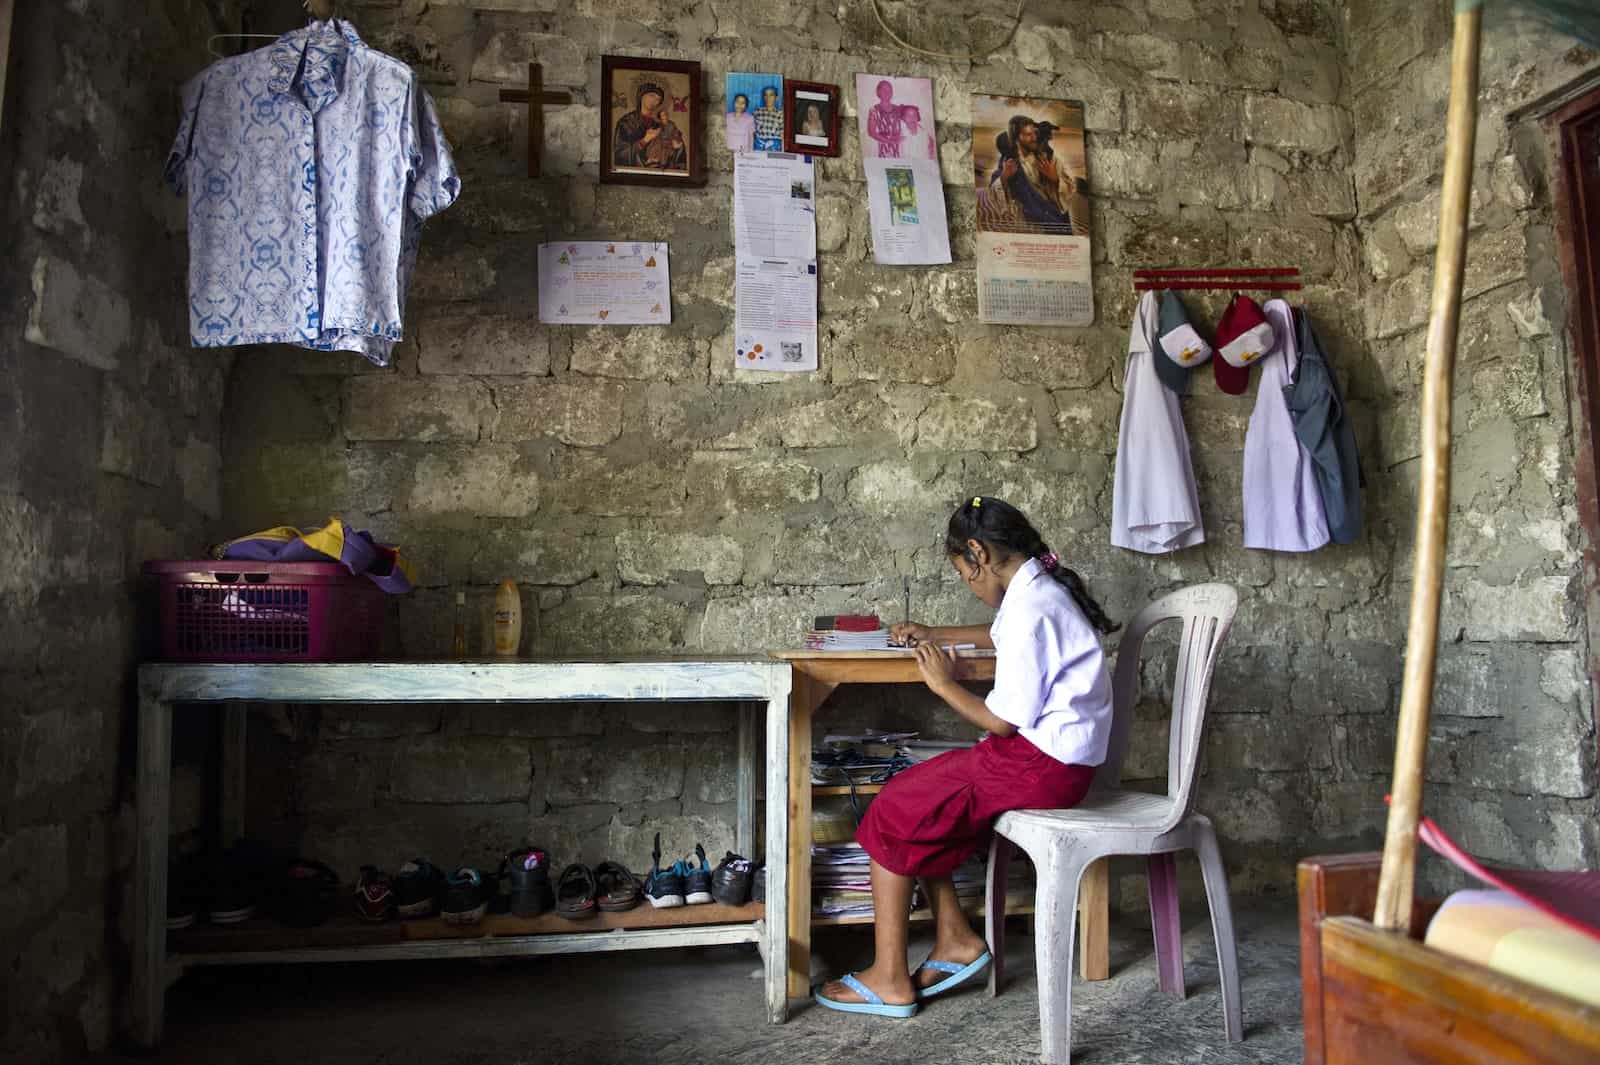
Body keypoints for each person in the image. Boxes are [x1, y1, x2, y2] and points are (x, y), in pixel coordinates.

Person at [813, 496, 1118, 1018]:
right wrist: (936, 634)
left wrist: (943, 684)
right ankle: (954, 938)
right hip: (1053, 762)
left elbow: (1002, 721)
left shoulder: (1031, 610)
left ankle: (890, 978)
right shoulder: (1038, 595)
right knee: (923, 793)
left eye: (964, 573)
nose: (969, 586)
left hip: (1038, 766)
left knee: (893, 808)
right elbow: (1000, 636)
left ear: (977, 552)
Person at [987, 114, 1073, 230]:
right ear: (1016, 137)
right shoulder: (1010, 161)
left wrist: (1055, 179)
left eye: (1035, 133)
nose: (1034, 138)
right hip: (1029, 224)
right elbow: (992, 193)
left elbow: (1071, 190)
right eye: (1028, 135)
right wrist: (1004, 176)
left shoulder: (1048, 157)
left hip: (1055, 217)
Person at [613, 82, 685, 170]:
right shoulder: (626, 123)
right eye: (651, 95)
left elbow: (679, 152)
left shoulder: (663, 124)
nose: (655, 101)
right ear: (641, 96)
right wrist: (645, 140)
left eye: (658, 99)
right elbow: (619, 155)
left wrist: (676, 147)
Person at [866, 78, 904, 157]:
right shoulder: (874, 110)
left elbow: (912, 123)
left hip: (901, 148)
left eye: (889, 90)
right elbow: (871, 132)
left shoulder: (899, 109)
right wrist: (890, 141)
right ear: (878, 92)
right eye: (884, 90)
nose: (887, 92)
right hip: (883, 147)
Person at [753, 85, 783, 150]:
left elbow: (782, 135)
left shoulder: (781, 114)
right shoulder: (757, 112)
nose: (768, 98)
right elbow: (751, 132)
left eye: (771, 95)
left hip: (774, 147)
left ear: (776, 97)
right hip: (758, 146)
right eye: (765, 95)